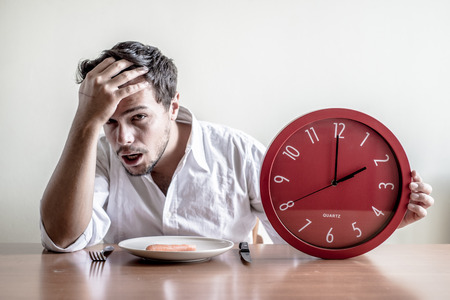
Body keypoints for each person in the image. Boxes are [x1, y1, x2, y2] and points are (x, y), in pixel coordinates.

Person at [40, 41, 434, 252]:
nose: (122, 138)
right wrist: (84, 123)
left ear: (173, 105)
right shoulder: (98, 153)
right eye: (109, 122)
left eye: (138, 117)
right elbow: (63, 240)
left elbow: (306, 242)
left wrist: (382, 223)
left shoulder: (238, 152)